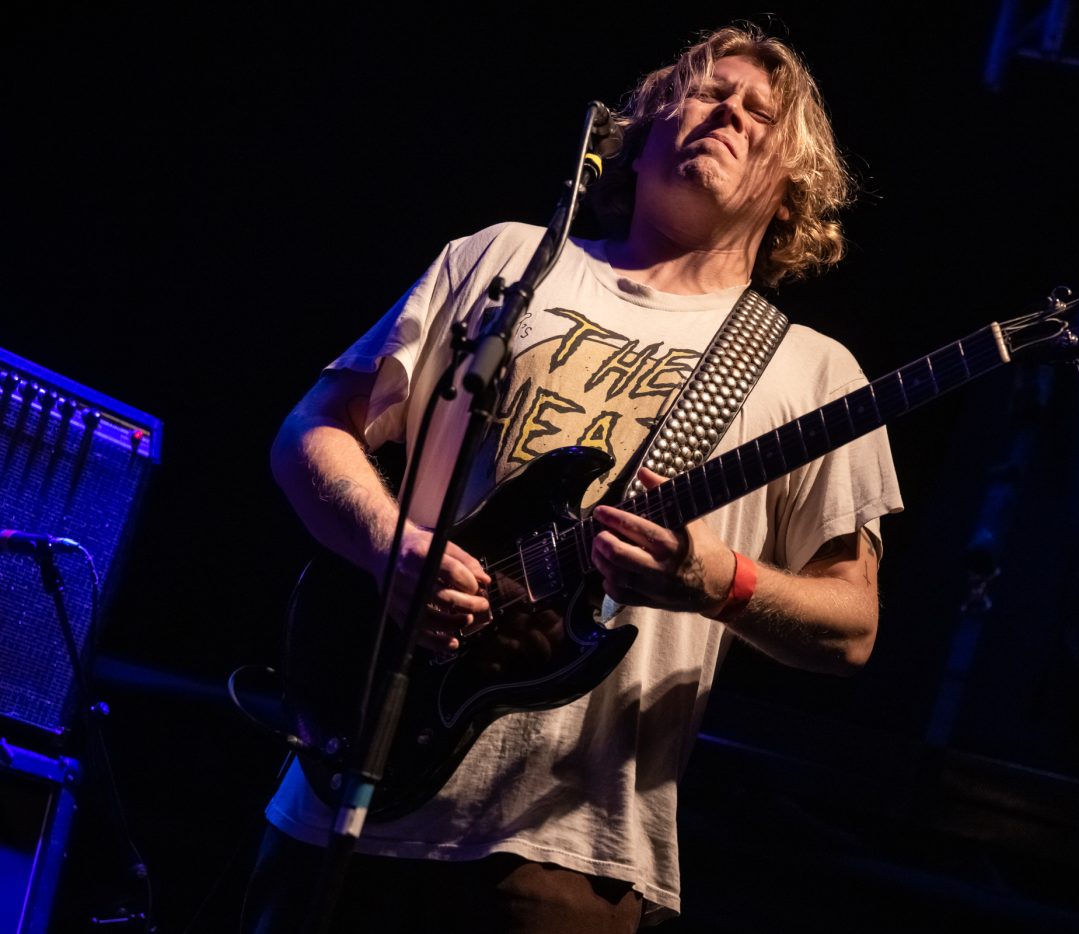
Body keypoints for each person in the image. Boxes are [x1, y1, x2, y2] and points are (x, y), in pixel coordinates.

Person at [243, 23, 902, 932]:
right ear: (645, 125)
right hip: (346, 795)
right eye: (709, 91)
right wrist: (388, 545)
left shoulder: (813, 371)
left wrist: (720, 580)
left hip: (570, 848)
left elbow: (854, 625)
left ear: (791, 193)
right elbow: (310, 431)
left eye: (760, 115)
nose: (729, 115)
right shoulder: (507, 259)